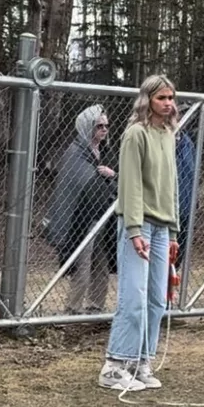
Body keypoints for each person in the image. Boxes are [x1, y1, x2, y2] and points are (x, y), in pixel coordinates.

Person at [99, 75, 180, 392]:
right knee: (133, 297)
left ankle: (140, 360)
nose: (168, 103)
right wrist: (134, 229)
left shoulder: (167, 134)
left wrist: (173, 230)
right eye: (162, 98)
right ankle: (115, 364)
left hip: (162, 227)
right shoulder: (135, 135)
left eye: (171, 97)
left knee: (157, 299)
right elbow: (129, 185)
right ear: (148, 100)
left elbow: (170, 185)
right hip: (139, 224)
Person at [46, 105, 116, 314]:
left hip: (104, 216)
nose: (104, 130)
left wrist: (112, 175)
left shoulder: (105, 152)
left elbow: (117, 178)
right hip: (81, 218)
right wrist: (98, 178)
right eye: (99, 126)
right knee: (83, 265)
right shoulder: (76, 153)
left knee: (101, 264)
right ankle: (72, 309)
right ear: (87, 127)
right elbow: (75, 185)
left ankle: (96, 306)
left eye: (106, 126)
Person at [174, 125, 197, 272]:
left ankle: (169, 287)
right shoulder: (161, 140)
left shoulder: (188, 143)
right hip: (168, 208)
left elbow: (193, 172)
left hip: (186, 207)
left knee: (179, 252)